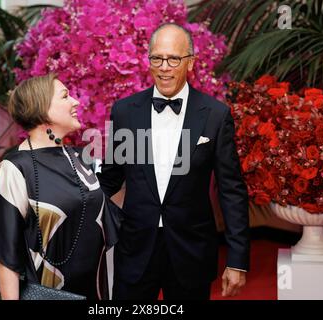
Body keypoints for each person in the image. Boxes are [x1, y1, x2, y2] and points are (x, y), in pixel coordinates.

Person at [98, 23, 250, 300]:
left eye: (173, 59)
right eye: (157, 58)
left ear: (190, 62)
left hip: (191, 252)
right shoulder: (124, 111)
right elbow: (109, 178)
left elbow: (231, 190)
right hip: (135, 249)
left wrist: (237, 259)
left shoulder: (215, 115)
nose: (164, 67)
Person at [0, 73, 119, 300]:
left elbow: (110, 214)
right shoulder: (15, 168)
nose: (76, 102)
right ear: (42, 108)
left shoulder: (81, 158)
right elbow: (6, 255)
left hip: (95, 292)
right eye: (65, 96)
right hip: (45, 294)